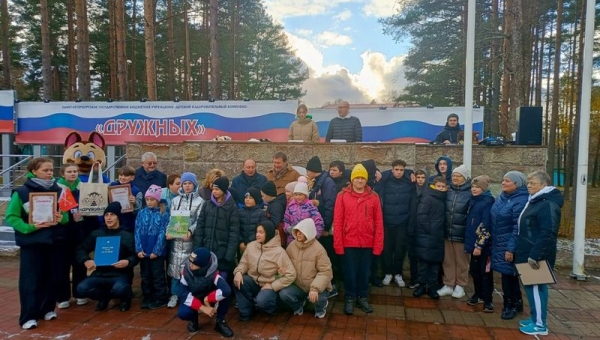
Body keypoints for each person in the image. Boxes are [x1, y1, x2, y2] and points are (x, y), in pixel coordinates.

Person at [6, 157, 68, 329]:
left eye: (51, 170)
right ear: (34, 171)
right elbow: (11, 217)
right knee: (31, 281)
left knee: (52, 277)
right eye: (45, 170)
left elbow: (66, 216)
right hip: (32, 244)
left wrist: (60, 218)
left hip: (54, 242)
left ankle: (47, 309)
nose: (50, 173)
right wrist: (30, 227)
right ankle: (28, 316)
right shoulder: (22, 192)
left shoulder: (60, 190)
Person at [516, 171, 563, 336]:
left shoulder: (547, 204)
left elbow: (548, 232)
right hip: (528, 251)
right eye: (528, 182)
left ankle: (539, 325)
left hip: (535, 254)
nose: (529, 185)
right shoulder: (536, 200)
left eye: (533, 183)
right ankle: (536, 317)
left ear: (544, 185)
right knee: (535, 288)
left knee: (535, 288)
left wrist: (535, 255)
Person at [333, 164, 384, 315]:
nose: (360, 181)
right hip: (349, 242)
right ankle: (350, 297)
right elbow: (338, 221)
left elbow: (379, 222)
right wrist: (338, 244)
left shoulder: (374, 197)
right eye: (357, 178)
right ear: (352, 179)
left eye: (362, 178)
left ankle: (362, 297)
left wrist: (378, 245)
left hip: (367, 242)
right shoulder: (342, 196)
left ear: (366, 180)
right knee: (349, 272)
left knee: (364, 272)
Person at [76, 202, 139, 312]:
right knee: (81, 289)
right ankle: (103, 297)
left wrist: (128, 262)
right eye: (106, 215)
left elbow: (136, 255)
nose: (109, 218)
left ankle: (125, 299)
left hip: (119, 274)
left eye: (112, 215)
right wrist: (85, 260)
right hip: (99, 273)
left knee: (119, 289)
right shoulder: (97, 234)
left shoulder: (127, 235)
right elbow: (81, 249)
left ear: (118, 217)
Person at [233, 221, 297, 321]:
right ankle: (247, 312)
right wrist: (238, 272)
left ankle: (273, 308)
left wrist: (272, 286)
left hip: (269, 286)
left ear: (269, 233)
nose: (257, 234)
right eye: (257, 232)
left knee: (263, 301)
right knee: (240, 281)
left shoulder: (279, 252)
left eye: (261, 232)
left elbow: (291, 274)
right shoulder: (251, 246)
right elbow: (244, 263)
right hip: (254, 282)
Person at [490, 171, 528, 320]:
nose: (503, 183)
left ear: (517, 184)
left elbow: (517, 227)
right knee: (508, 275)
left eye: (508, 181)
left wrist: (510, 248)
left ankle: (509, 306)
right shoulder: (502, 197)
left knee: (508, 276)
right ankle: (517, 302)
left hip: (509, 245)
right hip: (499, 242)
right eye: (503, 180)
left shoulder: (521, 201)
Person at [279, 218, 332, 318]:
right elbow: (286, 264)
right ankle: (299, 305)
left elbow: (325, 271)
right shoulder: (291, 246)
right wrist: (283, 271)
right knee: (284, 293)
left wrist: (315, 288)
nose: (298, 234)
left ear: (308, 233)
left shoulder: (319, 250)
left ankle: (321, 307)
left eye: (301, 232)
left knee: (318, 298)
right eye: (297, 231)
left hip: (314, 285)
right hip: (298, 285)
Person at [374, 159, 415, 288]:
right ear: (392, 170)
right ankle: (388, 273)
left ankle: (398, 274)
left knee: (400, 250)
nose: (399, 172)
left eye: (401, 170)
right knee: (387, 249)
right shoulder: (385, 179)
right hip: (387, 221)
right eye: (396, 170)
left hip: (402, 222)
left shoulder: (409, 180)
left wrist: (410, 172)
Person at [167, 172, 205, 308]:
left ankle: (188, 295)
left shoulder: (200, 202)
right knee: (175, 269)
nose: (187, 186)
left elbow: (199, 221)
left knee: (188, 270)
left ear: (194, 184)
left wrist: (190, 230)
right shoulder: (175, 201)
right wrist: (168, 231)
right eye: (185, 183)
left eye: (189, 183)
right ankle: (175, 294)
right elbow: (171, 219)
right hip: (176, 242)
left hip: (190, 242)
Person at [176, 247, 234, 337]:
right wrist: (202, 307)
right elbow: (183, 294)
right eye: (190, 261)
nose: (189, 265)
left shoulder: (214, 272)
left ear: (202, 265)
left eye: (194, 263)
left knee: (226, 295)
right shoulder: (186, 271)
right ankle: (193, 319)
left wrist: (208, 298)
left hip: (209, 296)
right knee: (183, 313)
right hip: (195, 297)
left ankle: (220, 321)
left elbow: (226, 290)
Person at [55, 163, 89, 308]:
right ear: (63, 174)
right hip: (62, 232)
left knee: (79, 263)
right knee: (62, 265)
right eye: (69, 171)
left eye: (75, 171)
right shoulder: (57, 189)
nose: (73, 174)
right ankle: (63, 297)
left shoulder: (83, 187)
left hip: (80, 230)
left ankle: (80, 293)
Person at [305, 156, 338, 295]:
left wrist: (325, 227)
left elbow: (330, 205)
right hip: (317, 226)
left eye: (308, 170)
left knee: (327, 258)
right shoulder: (317, 181)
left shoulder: (327, 183)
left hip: (324, 228)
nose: (306, 173)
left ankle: (331, 287)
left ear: (313, 170)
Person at [437, 165, 471, 299]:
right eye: (454, 175)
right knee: (448, 260)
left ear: (465, 178)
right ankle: (449, 284)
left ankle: (460, 285)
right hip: (447, 231)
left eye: (459, 176)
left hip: (461, 233)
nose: (455, 178)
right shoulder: (448, 190)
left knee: (461, 261)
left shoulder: (469, 193)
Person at [135, 185, 170, 309]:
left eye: (152, 199)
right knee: (145, 275)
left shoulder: (163, 213)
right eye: (147, 199)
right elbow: (137, 230)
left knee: (157, 275)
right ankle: (147, 297)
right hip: (144, 251)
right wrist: (138, 249)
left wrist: (157, 250)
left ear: (158, 200)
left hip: (156, 252)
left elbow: (162, 233)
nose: (149, 202)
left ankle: (160, 298)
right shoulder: (141, 213)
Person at [412, 177, 447, 299]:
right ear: (433, 186)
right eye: (439, 186)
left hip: (438, 237)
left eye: (443, 187)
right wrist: (430, 230)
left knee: (434, 264)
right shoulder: (428, 198)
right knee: (423, 263)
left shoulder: (444, 199)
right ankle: (421, 285)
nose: (441, 189)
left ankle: (432, 286)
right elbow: (421, 216)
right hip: (427, 236)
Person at [464, 175, 495, 313]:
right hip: (472, 242)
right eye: (473, 187)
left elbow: (485, 225)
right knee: (475, 271)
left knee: (485, 272)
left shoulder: (487, 202)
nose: (474, 189)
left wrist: (479, 245)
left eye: (477, 187)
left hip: (483, 246)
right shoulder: (472, 201)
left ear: (484, 188)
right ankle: (478, 294)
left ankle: (488, 300)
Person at [108, 165, 142, 232]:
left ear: (132, 177)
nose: (122, 177)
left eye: (126, 176)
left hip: (127, 225)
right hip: (112, 223)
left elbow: (138, 211)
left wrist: (134, 203)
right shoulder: (111, 186)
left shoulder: (137, 191)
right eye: (121, 175)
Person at [238, 187, 267, 258]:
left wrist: (250, 242)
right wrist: (241, 242)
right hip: (240, 245)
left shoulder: (261, 213)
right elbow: (235, 228)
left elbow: (262, 229)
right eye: (246, 197)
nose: (247, 200)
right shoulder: (239, 212)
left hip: (255, 244)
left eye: (250, 198)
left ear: (256, 199)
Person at [261, 180, 288, 246]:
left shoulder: (275, 206)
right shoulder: (274, 204)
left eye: (263, 196)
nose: (262, 198)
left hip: (276, 238)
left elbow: (274, 223)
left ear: (269, 195)